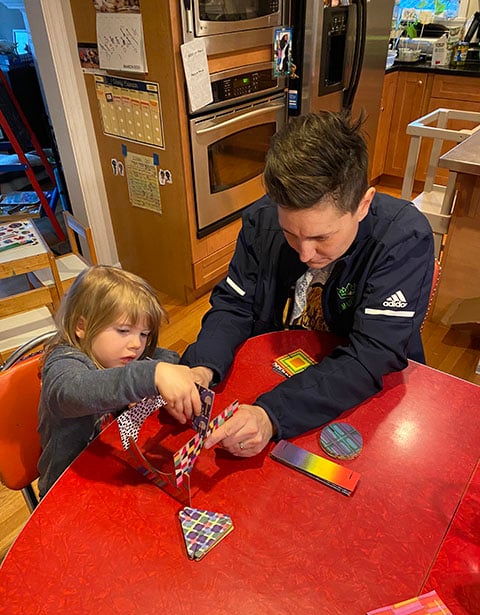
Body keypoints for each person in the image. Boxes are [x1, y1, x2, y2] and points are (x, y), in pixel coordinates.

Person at [181, 110, 435, 458]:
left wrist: (272, 414)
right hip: (279, 372)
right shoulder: (261, 220)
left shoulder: (404, 238)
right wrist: (202, 365)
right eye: (290, 233)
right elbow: (234, 304)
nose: (304, 253)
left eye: (321, 237)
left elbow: (372, 355)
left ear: (362, 205)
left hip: (363, 394)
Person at [38, 265, 201, 498]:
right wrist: (150, 375)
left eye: (143, 334)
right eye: (124, 330)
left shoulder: (121, 354)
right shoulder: (63, 362)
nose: (136, 344)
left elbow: (164, 356)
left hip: (115, 468)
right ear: (81, 327)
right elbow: (72, 392)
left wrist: (158, 376)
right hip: (67, 488)